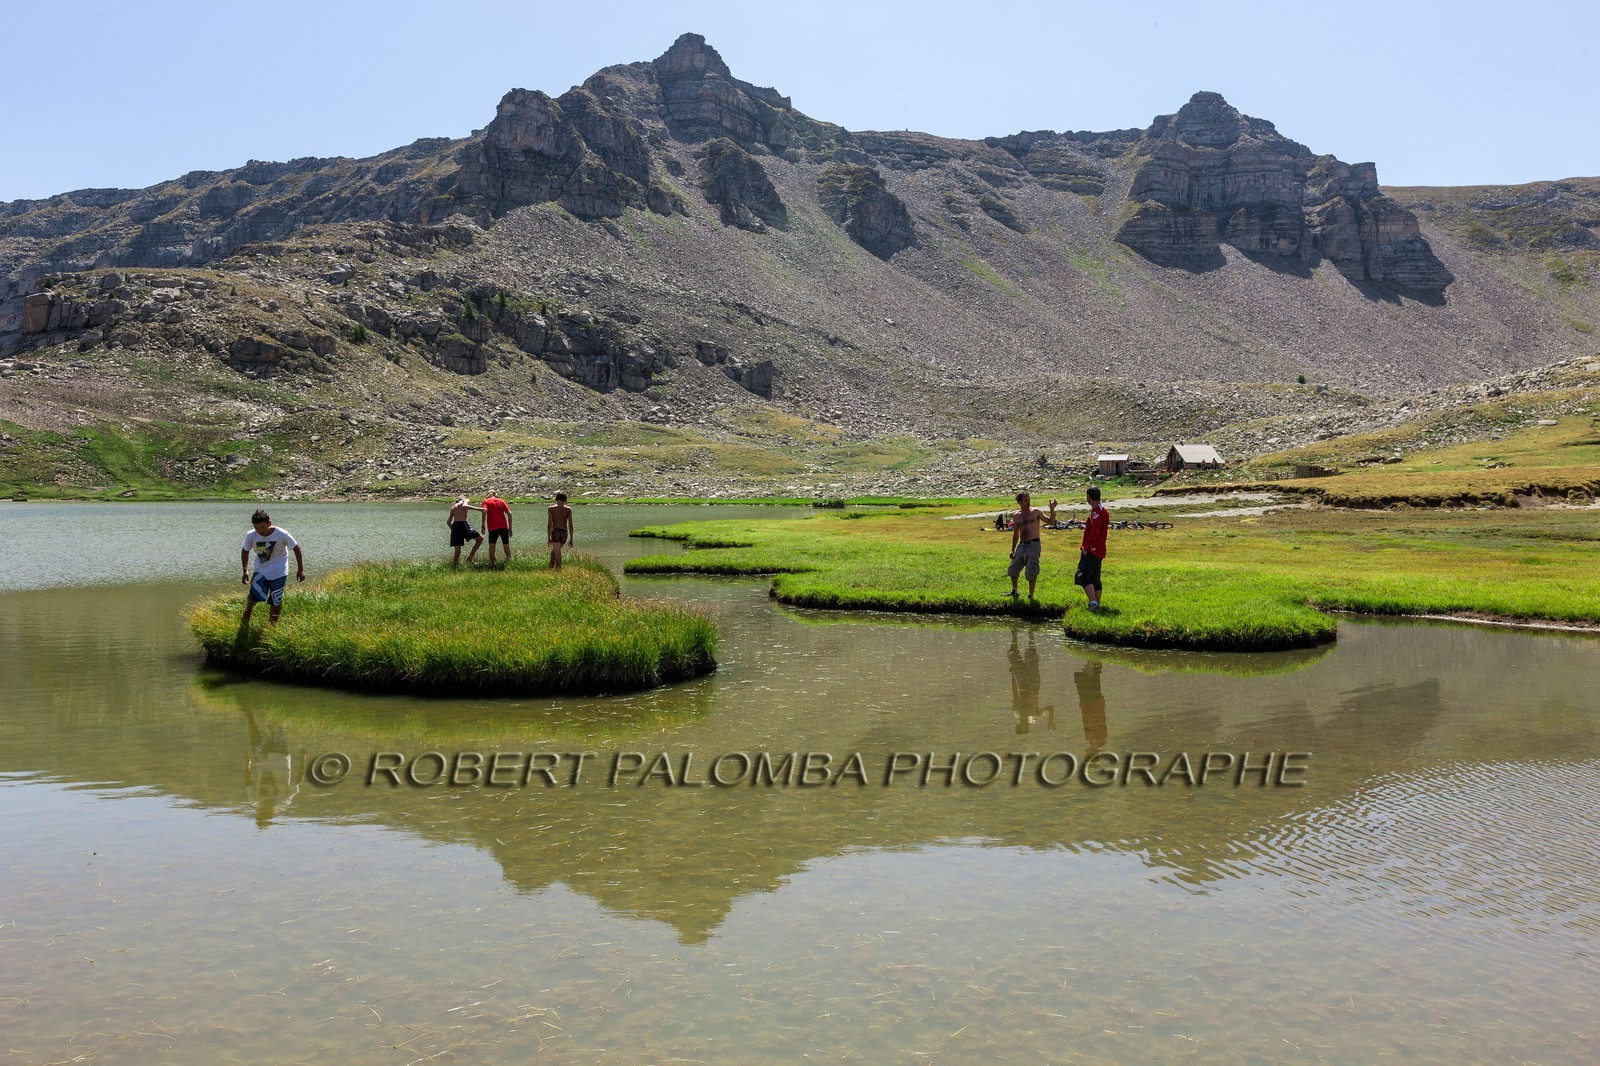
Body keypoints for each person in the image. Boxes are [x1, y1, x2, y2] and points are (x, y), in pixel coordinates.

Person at [240, 509, 304, 626]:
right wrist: (245, 570)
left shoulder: (282, 534)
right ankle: (247, 612)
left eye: (262, 527)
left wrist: (300, 569)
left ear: (269, 523)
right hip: (261, 569)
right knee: (253, 596)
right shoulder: (251, 535)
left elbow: (296, 548)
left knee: (276, 599)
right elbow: (245, 551)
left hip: (279, 571)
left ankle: (272, 625)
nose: (260, 531)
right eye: (257, 528)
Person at [1007, 491, 1057, 601]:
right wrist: (1012, 550)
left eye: (1029, 499)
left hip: (1034, 544)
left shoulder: (1036, 512)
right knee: (1013, 569)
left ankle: (1031, 595)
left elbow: (1051, 522)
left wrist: (1052, 509)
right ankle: (1014, 591)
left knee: (1031, 570)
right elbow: (1016, 534)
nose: (1028, 502)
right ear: (1019, 502)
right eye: (1025, 500)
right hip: (1022, 545)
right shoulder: (1016, 516)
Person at [1075, 485, 1110, 611]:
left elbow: (1095, 532)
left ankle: (1093, 603)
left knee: (1082, 574)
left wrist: (1086, 546)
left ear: (1089, 497)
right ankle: (1097, 603)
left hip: (1092, 549)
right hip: (1100, 550)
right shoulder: (1103, 510)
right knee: (1095, 576)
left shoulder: (1096, 512)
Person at [447, 496, 484, 567]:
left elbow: (448, 522)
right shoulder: (464, 501)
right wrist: (478, 509)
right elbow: (464, 506)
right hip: (463, 524)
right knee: (480, 539)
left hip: (455, 526)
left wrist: (454, 530)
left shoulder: (453, 507)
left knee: (457, 551)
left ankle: (455, 566)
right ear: (463, 498)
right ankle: (469, 559)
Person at [482, 491, 513, 564]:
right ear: (496, 495)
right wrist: (510, 529)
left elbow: (484, 512)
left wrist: (483, 525)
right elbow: (509, 514)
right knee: (506, 545)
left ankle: (493, 563)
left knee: (492, 545)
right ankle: (509, 561)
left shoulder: (486, 501)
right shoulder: (502, 501)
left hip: (493, 527)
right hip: (504, 527)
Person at [547, 491, 574, 570]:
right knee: (554, 553)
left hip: (555, 532)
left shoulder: (551, 508)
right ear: (565, 500)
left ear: (556, 499)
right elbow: (570, 524)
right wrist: (571, 539)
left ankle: (559, 570)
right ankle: (550, 569)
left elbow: (549, 524)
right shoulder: (568, 509)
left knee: (557, 553)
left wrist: (549, 538)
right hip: (564, 533)